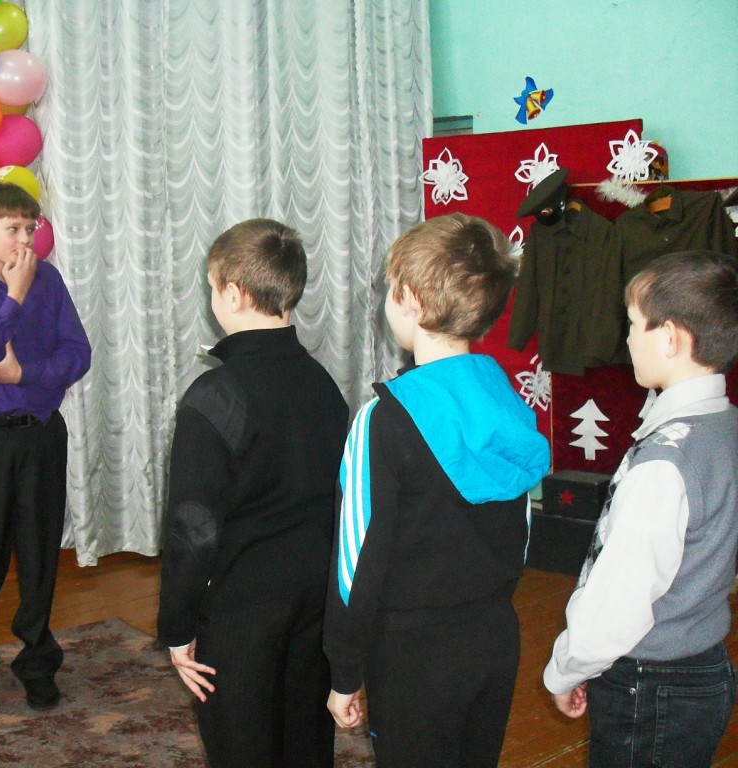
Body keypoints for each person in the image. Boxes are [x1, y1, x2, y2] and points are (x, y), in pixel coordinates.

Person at [324, 214, 550, 767]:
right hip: (494, 633)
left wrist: (344, 669)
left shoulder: (382, 419)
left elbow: (357, 557)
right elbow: (520, 528)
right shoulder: (504, 399)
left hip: (413, 651)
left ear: (411, 300)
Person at [157, 218, 349, 767]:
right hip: (317, 597)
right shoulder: (322, 383)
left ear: (234, 294)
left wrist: (177, 626)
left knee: (242, 746)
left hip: (243, 608)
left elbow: (193, 528)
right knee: (305, 741)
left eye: (212, 287)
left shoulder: (215, 396)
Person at [544, 250, 738, 768]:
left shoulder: (666, 464)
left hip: (650, 686)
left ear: (670, 337)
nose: (627, 338)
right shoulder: (724, 425)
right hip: (700, 665)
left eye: (632, 324)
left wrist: (567, 668)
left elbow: (621, 599)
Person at [0, 183, 91, 714]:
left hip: (41, 436)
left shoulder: (49, 278)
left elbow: (78, 353)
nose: (25, 240)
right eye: (13, 229)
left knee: (39, 555)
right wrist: (15, 295)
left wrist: (23, 373)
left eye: (30, 228)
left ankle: (37, 665)